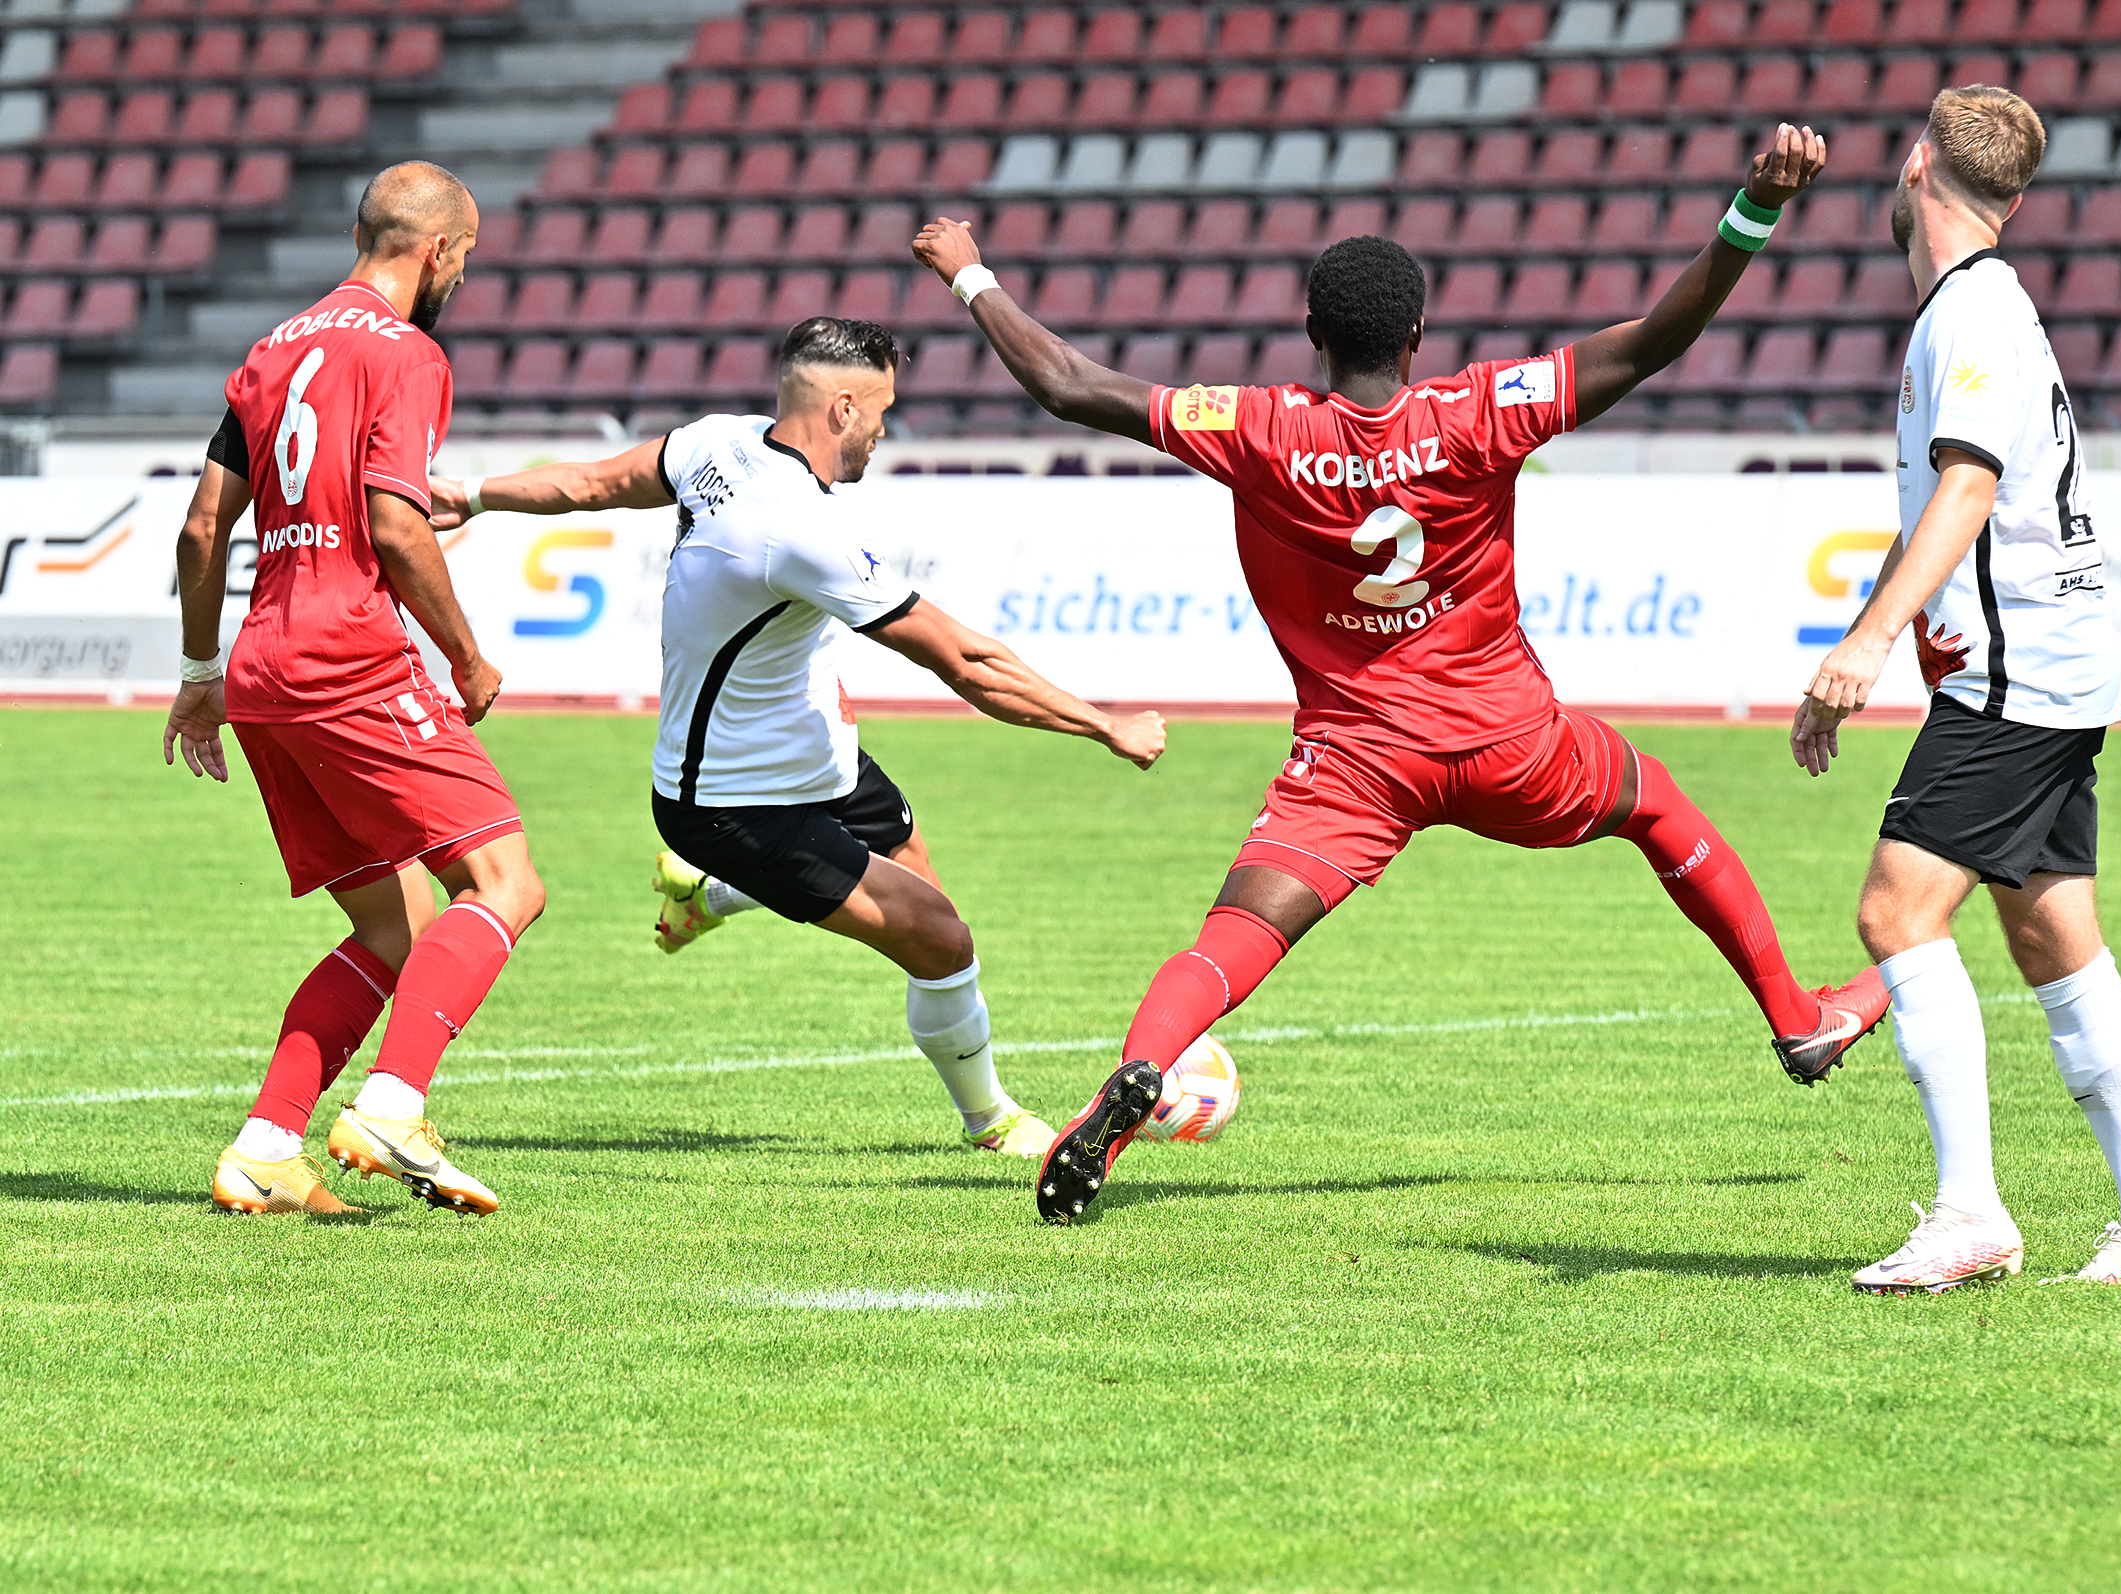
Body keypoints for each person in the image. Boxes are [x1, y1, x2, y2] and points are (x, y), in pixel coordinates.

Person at [912, 124, 1894, 1225]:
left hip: (1357, 761)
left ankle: (1132, 1076)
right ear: (1416, 336)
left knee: (1233, 935)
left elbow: (1065, 382)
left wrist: (970, 274)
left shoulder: (1254, 427)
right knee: (1655, 806)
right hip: (1509, 740)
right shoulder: (1478, 409)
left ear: (1309, 334)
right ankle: (1796, 1015)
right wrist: (1751, 210)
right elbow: (1652, 341)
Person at [425, 317, 1168, 1159]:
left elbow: (598, 483)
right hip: (732, 804)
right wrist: (1104, 724)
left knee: (920, 886)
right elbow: (966, 661)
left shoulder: (720, 441)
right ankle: (991, 1120)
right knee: (941, 936)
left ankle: (705, 897)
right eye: (883, 410)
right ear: (843, 407)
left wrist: (478, 494)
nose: (887, 429)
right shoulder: (798, 530)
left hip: (820, 752)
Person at [1791, 87, 2121, 1292]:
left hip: (2010, 672)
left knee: (1895, 914)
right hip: (2048, 665)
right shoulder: (1974, 308)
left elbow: (1968, 491)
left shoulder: (1970, 315)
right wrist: (1861, 634)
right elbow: (1936, 511)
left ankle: (1969, 1213)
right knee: (2052, 936)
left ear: (1918, 165)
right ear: (2013, 200)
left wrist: (1867, 645)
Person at [170, 161, 537, 1217]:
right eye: (463, 252)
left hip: (261, 672)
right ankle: (391, 1102)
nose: (462, 269)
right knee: (504, 883)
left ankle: (267, 1147)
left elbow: (203, 528)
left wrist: (201, 677)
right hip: (349, 658)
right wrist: (465, 656)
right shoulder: (409, 354)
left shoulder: (269, 351)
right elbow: (393, 521)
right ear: (437, 251)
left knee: (394, 924)